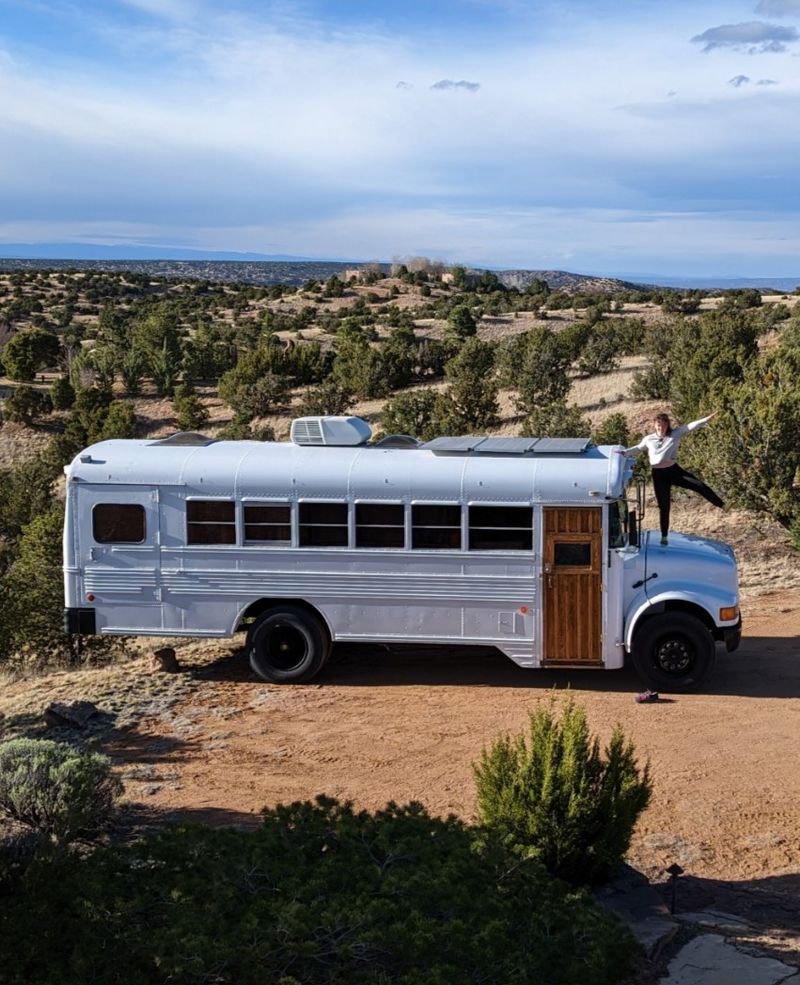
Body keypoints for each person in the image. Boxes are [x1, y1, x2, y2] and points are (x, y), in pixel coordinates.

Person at [619, 411, 724, 545]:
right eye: (658, 425)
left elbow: (690, 426)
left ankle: (722, 505)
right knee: (664, 507)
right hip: (658, 475)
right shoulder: (648, 439)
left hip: (674, 471)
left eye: (663, 425)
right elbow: (638, 449)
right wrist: (623, 453)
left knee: (699, 485)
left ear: (667, 425)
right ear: (654, 425)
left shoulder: (675, 434)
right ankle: (664, 536)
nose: (661, 428)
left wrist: (707, 419)